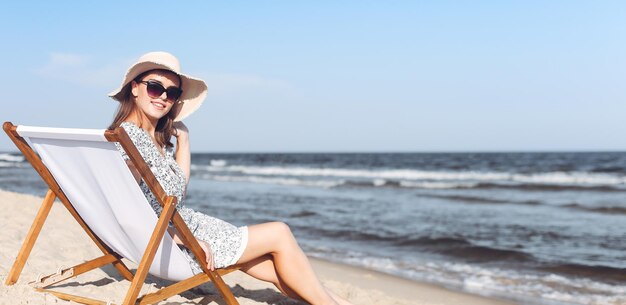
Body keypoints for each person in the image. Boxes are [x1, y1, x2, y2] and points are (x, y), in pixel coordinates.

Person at [107, 51, 352, 305]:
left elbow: (177, 191)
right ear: (135, 88)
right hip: (174, 241)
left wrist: (185, 141)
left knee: (277, 264)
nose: (165, 97)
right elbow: (129, 212)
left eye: (173, 93)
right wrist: (188, 240)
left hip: (184, 229)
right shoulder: (128, 139)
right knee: (279, 233)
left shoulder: (152, 139)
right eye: (156, 88)